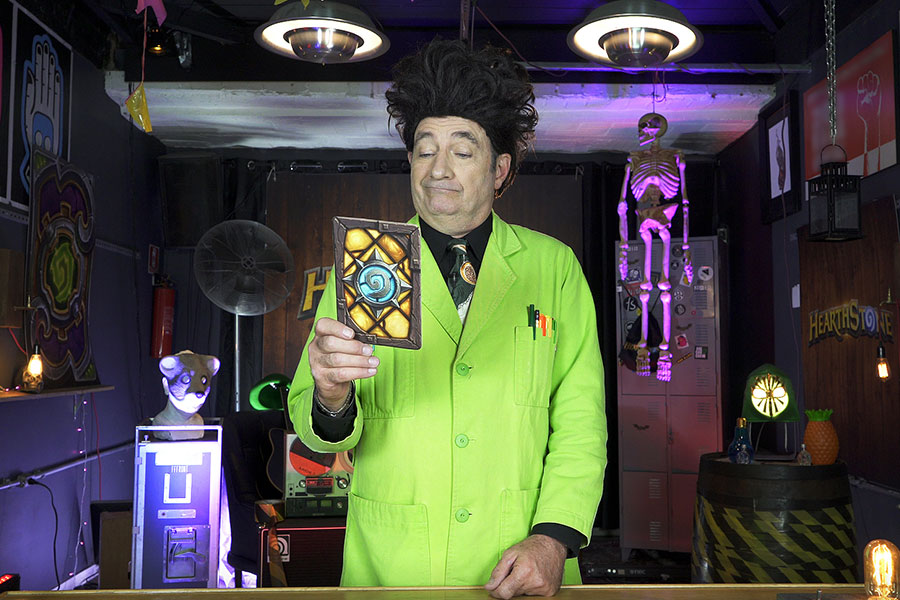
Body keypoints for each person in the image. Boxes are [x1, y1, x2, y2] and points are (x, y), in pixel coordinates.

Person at [287, 38, 607, 599]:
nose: (438, 169)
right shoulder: (365, 267)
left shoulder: (553, 268)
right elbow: (317, 427)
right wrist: (331, 395)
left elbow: (581, 422)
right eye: (424, 149)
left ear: (500, 169)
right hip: (392, 566)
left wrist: (554, 539)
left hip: (517, 563)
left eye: (462, 150)